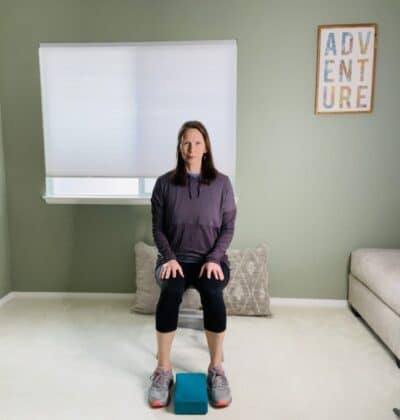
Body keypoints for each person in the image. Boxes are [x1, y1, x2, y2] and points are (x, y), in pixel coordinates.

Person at [147, 120, 237, 409]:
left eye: (197, 142)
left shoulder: (222, 183)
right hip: (174, 259)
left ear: (206, 147)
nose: (192, 147)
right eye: (186, 142)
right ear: (179, 147)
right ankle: (163, 370)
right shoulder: (164, 183)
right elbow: (158, 229)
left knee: (212, 293)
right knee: (171, 292)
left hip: (210, 261)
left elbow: (228, 227)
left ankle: (217, 369)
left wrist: (213, 259)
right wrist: (169, 257)